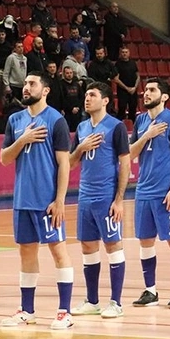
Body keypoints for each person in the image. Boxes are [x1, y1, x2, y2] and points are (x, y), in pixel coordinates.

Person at [0, 72, 75, 329]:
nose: (26, 87)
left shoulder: (56, 120)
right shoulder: (15, 120)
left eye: (32, 84)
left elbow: (64, 163)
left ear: (45, 90)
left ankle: (65, 312)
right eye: (25, 83)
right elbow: (4, 158)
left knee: (58, 250)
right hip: (22, 199)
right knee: (26, 252)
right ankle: (27, 310)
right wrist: (23, 140)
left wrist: (60, 200)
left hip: (47, 201)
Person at [69, 82, 130, 319]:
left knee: (113, 245)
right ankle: (92, 301)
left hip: (106, 196)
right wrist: (80, 148)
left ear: (105, 100)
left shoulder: (116, 127)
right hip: (85, 196)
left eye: (92, 95)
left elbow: (125, 164)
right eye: (86, 94)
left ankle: (116, 302)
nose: (87, 98)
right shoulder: (82, 127)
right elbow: (71, 163)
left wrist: (119, 200)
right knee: (88, 246)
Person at [129, 78, 170, 308]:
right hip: (144, 190)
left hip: (165, 191)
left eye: (152, 90)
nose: (146, 93)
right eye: (145, 90)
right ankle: (150, 290)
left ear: (164, 96)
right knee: (145, 241)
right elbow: (131, 153)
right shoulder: (141, 120)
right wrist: (147, 135)